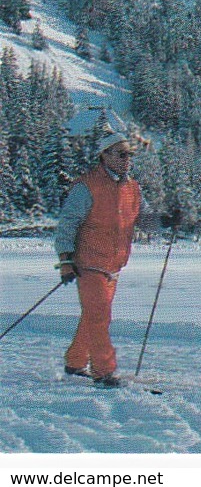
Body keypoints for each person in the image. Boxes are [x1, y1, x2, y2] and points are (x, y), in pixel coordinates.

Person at [54, 133, 142, 387]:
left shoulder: (131, 188)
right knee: (99, 316)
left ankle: (75, 362)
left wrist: (168, 220)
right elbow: (67, 224)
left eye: (129, 155)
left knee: (94, 316)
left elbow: (142, 217)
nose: (127, 160)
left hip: (113, 265)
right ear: (104, 155)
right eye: (121, 154)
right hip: (89, 263)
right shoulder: (87, 186)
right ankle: (104, 371)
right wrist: (66, 261)